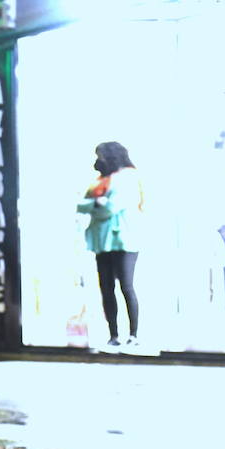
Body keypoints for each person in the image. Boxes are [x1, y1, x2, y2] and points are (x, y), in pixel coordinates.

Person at [76, 141, 144, 349]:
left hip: (125, 241)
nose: (98, 161)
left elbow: (112, 207)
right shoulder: (99, 181)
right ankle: (113, 335)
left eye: (101, 156)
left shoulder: (128, 177)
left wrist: (95, 206)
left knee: (126, 286)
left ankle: (133, 334)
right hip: (101, 243)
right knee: (106, 288)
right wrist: (97, 203)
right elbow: (81, 204)